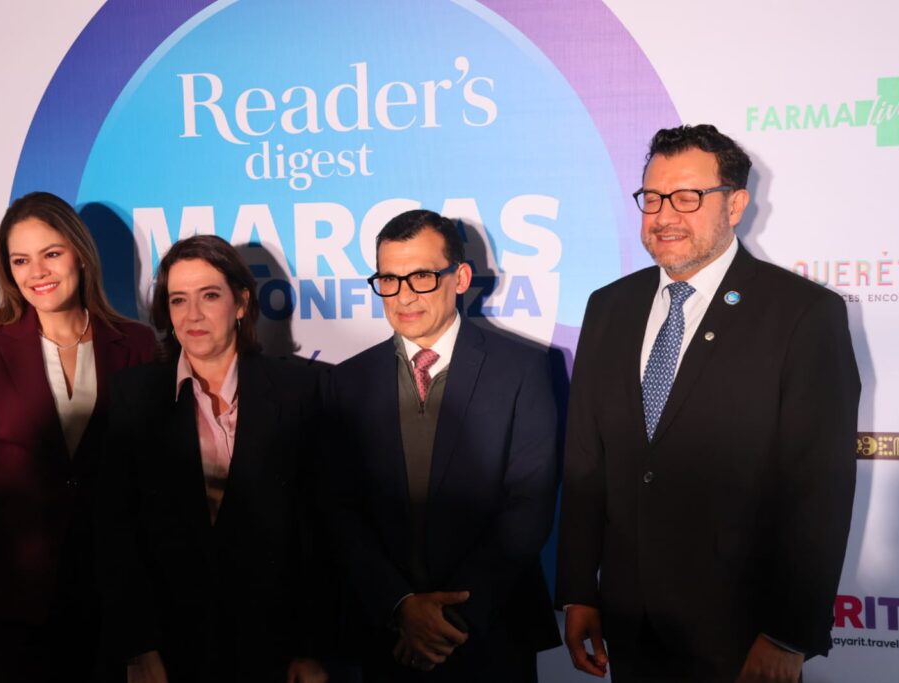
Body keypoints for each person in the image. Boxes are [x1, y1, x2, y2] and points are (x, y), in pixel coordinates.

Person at [557, 124, 860, 683]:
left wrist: (787, 634)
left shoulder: (802, 314)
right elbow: (584, 465)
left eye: (687, 197)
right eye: (653, 198)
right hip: (629, 624)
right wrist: (579, 589)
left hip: (743, 633)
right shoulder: (608, 307)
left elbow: (819, 488)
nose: (664, 215)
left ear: (736, 205)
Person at [0, 191, 157, 682]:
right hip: (0, 602)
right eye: (20, 260)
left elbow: (147, 483)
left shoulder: (136, 344)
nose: (37, 272)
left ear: (80, 254)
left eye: (51, 253)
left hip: (103, 601)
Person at [326, 210, 561, 682]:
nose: (404, 296)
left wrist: (447, 621)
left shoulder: (523, 370)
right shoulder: (346, 381)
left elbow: (528, 506)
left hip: (491, 631)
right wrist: (401, 606)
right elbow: (338, 509)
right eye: (389, 280)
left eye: (421, 277)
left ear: (461, 278)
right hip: (388, 636)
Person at [99, 235, 331, 683]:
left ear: (241, 303)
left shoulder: (297, 392)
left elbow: (317, 533)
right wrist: (138, 646)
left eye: (209, 296)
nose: (192, 315)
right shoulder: (135, 394)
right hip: (169, 651)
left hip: (273, 650)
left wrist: (311, 649)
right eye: (178, 300)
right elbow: (116, 531)